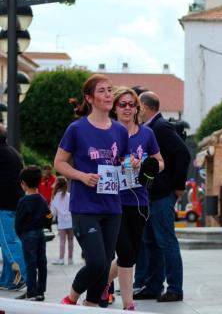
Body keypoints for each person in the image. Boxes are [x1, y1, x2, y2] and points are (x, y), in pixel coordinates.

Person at [54, 74, 134, 306]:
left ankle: (90, 307)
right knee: (97, 262)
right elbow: (59, 162)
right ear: (89, 98)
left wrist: (131, 164)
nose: (109, 95)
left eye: (110, 90)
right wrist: (81, 176)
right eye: (102, 91)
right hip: (85, 206)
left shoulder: (119, 130)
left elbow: (122, 162)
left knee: (107, 259)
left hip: (112, 206)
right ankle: (70, 299)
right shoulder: (76, 129)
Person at [104, 87, 164, 310]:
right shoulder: (107, 131)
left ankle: (102, 283)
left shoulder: (146, 134)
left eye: (132, 104)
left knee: (132, 254)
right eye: (123, 104)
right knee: (125, 252)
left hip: (139, 200)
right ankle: (128, 303)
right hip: (112, 200)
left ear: (137, 108)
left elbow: (160, 162)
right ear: (115, 108)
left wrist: (146, 164)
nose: (127, 108)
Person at [133, 91, 190, 303]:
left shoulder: (161, 127)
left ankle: (175, 288)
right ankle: (153, 286)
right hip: (150, 195)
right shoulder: (149, 129)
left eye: (137, 107)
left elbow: (183, 154)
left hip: (162, 194)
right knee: (150, 242)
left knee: (166, 242)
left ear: (145, 107)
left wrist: (178, 187)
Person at [14, 165, 52, 301]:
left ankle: (31, 292)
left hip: (27, 235)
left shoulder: (23, 201)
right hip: (40, 233)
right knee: (42, 262)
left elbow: (18, 221)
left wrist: (20, 234)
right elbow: (49, 215)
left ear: (23, 183)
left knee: (30, 264)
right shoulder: (41, 199)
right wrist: (46, 224)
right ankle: (41, 291)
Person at [0, 124, 26, 291]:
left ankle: (25, 275)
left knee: (9, 243)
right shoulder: (13, 152)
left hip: (3, 204)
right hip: (14, 202)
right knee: (9, 242)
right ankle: (8, 281)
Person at [49, 176, 73, 266]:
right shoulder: (69, 195)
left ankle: (61, 259)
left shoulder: (55, 197)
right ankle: (70, 259)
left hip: (62, 222)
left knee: (62, 241)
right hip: (71, 221)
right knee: (71, 240)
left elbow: (53, 212)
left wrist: (48, 218)